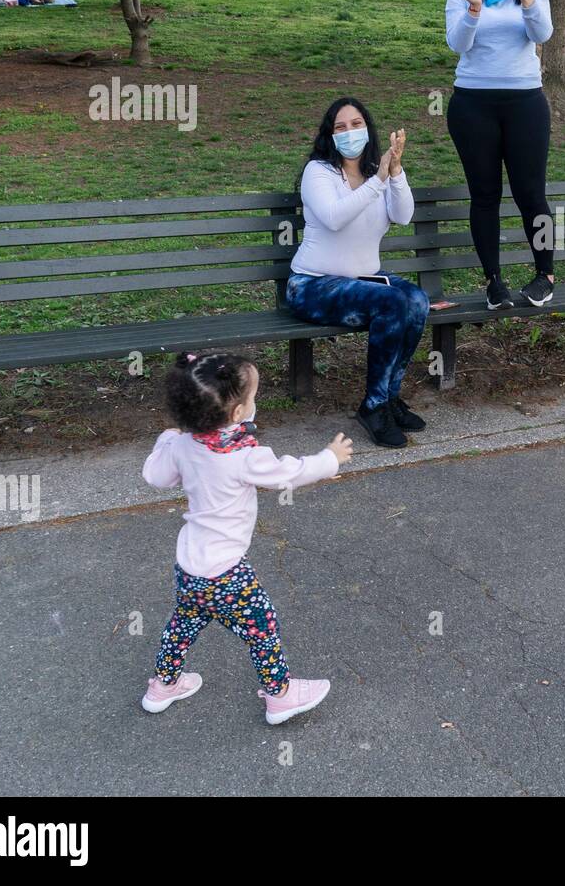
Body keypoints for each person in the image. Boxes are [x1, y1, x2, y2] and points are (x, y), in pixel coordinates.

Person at [140, 351, 354, 725]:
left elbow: (155, 476)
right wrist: (330, 458)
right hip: (226, 573)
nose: (254, 404)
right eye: (252, 398)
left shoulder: (183, 446)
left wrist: (166, 438)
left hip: (190, 566)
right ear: (237, 414)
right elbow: (291, 472)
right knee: (263, 627)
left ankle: (163, 686)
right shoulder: (243, 456)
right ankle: (280, 695)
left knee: (184, 623)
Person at [286, 97, 431, 448]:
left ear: (367, 128)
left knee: (416, 300)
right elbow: (335, 218)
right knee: (392, 304)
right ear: (329, 134)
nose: (349, 131)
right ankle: (373, 405)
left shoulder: (374, 175)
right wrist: (378, 179)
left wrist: (395, 172)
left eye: (356, 124)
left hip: (363, 280)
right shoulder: (318, 172)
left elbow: (403, 215)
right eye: (340, 127)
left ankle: (388, 398)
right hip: (312, 285)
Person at [446, 0, 556, 311]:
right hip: (472, 105)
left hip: (525, 103)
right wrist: (474, 8)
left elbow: (542, 35)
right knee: (485, 195)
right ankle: (494, 282)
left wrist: (527, 4)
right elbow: (457, 42)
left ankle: (545, 275)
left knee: (531, 194)